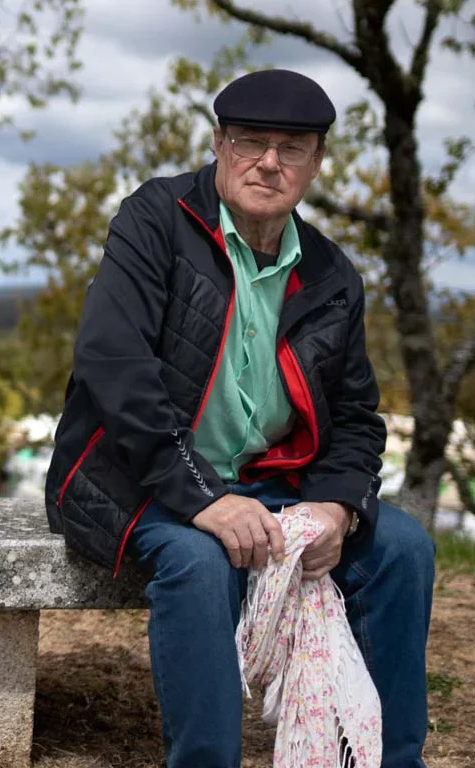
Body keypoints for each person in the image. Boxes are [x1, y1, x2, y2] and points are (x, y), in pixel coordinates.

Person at [44, 69, 434, 768]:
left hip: (267, 481)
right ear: (219, 143)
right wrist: (204, 498)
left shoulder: (329, 272)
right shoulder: (155, 220)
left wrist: (337, 506)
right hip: (139, 476)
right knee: (199, 562)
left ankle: (385, 760)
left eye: (292, 147)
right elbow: (113, 366)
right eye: (251, 141)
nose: (269, 161)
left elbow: (353, 415)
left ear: (316, 162)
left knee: (402, 549)